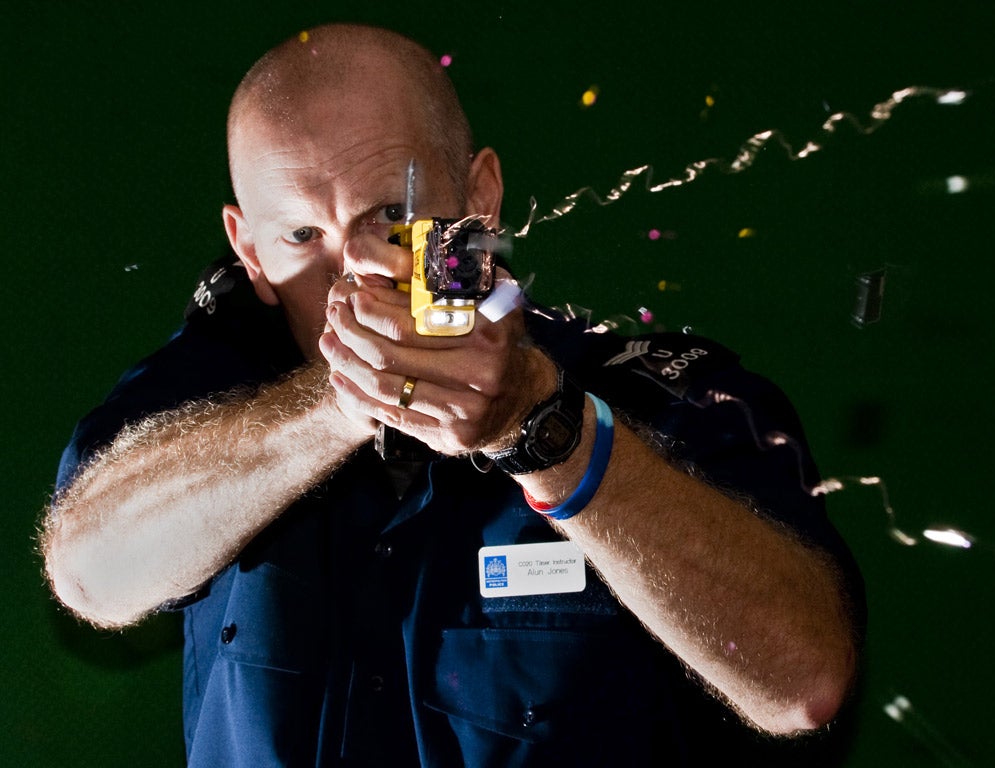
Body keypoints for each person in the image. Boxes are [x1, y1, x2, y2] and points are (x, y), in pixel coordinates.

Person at [42, 23, 864, 766]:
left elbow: (804, 685)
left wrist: (549, 436)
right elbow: (88, 576)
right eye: (299, 235)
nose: (350, 269)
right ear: (246, 248)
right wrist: (338, 407)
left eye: (390, 215)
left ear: (480, 199)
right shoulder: (211, 393)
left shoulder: (656, 393)